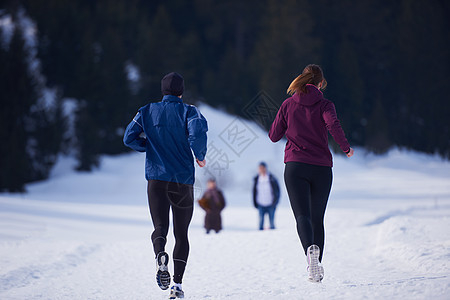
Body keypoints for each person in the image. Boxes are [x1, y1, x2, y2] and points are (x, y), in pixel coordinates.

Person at [123, 72, 208, 299]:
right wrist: (199, 155)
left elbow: (128, 138)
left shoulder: (146, 111)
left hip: (156, 179)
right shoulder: (190, 111)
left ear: (162, 91)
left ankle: (160, 253)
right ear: (181, 91)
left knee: (160, 227)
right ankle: (177, 286)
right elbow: (198, 132)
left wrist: (148, 146)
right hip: (182, 181)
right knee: (182, 234)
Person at [268, 64, 354, 283]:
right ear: (320, 83)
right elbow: (332, 124)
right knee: (317, 219)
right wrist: (345, 148)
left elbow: (274, 135)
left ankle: (310, 257)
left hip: (295, 166)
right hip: (322, 168)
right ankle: (317, 263)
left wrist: (288, 121)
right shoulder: (325, 104)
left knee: (302, 216)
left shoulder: (288, 104)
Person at [252, 162, 280, 230]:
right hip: (260, 203)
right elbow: (254, 192)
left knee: (272, 223)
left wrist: (275, 202)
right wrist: (255, 203)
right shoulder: (256, 179)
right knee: (261, 222)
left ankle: (273, 236)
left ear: (265, 168)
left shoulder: (272, 178)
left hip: (271, 203)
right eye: (260, 168)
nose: (261, 170)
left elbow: (277, 191)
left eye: (262, 168)